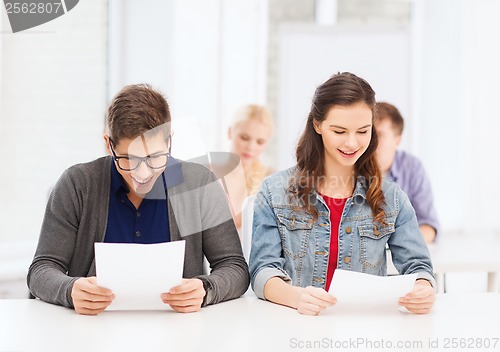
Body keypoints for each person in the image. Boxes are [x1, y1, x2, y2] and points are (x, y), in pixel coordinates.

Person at [28, 84, 249, 315]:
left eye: (154, 157)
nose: (141, 174)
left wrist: (205, 289)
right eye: (128, 159)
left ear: (169, 142)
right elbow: (41, 270)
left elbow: (234, 267)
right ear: (108, 144)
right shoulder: (77, 184)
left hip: (180, 331)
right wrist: (69, 290)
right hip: (91, 329)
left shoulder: (199, 183)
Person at [249, 72, 435, 316]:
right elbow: (263, 270)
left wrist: (423, 288)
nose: (351, 143)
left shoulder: (392, 198)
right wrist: (297, 297)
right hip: (296, 326)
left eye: (362, 131)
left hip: (362, 328)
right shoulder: (275, 192)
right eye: (339, 131)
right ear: (317, 125)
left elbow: (418, 266)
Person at [374, 102, 439, 244]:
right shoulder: (348, 165)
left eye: (379, 135)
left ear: (397, 140)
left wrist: (400, 243)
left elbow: (429, 226)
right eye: (368, 133)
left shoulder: (412, 168)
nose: (371, 142)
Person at [225, 104, 273, 231]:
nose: (251, 147)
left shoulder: (271, 181)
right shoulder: (208, 175)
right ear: (230, 132)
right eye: (244, 138)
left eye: (260, 142)